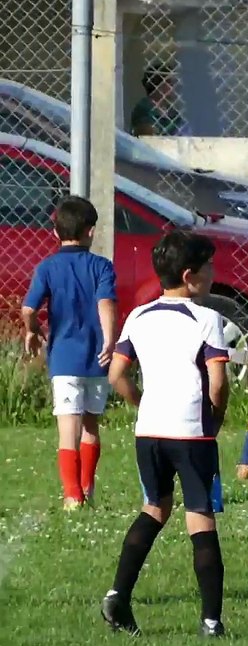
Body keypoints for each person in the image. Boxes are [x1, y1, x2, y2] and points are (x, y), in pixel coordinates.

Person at [100, 230, 231, 638]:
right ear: (190, 276)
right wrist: (216, 416)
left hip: (149, 431)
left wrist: (142, 402)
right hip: (191, 432)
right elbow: (219, 381)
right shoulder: (207, 318)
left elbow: (116, 374)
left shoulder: (138, 315)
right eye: (208, 266)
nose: (213, 272)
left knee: (154, 508)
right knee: (200, 518)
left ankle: (118, 595)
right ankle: (211, 621)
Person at [20, 195, 117, 511]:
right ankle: (87, 488)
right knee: (91, 425)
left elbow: (28, 308)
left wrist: (32, 329)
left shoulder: (47, 267)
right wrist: (109, 340)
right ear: (91, 231)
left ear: (54, 231)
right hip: (96, 358)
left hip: (63, 358)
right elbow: (105, 304)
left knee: (67, 429)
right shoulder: (102, 266)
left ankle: (72, 495)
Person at [130, 62, 187, 137]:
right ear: (157, 84)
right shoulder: (144, 108)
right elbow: (147, 133)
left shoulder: (172, 112)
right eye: (169, 82)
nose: (174, 86)